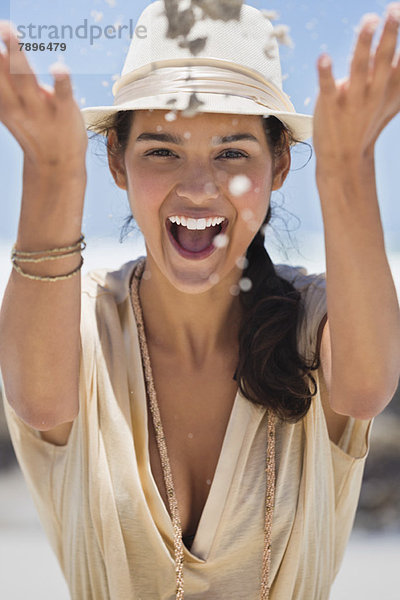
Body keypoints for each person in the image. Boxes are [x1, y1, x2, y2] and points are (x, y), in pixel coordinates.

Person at [0, 1, 399, 598]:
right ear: (115, 159)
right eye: (161, 150)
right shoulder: (78, 322)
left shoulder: (316, 322)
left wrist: (348, 170)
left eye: (233, 151)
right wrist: (52, 174)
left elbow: (366, 389)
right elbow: (37, 402)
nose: (198, 187)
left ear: (281, 163)